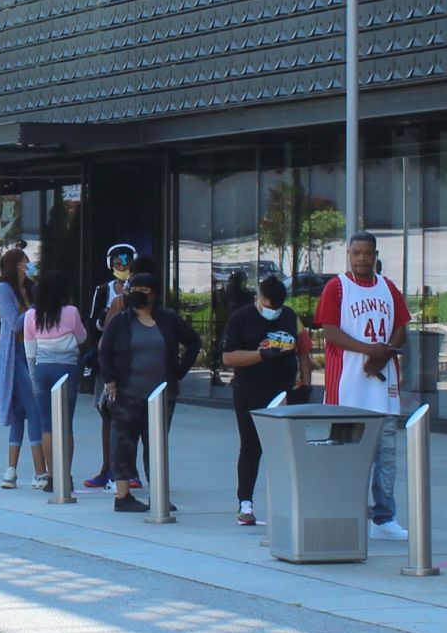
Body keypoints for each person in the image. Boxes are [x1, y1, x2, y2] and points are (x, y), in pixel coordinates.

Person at [317, 230, 411, 541]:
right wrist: (369, 350)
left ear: (375, 254)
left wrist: (383, 355)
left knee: (386, 456)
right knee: (346, 454)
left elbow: (400, 327)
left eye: (366, 253)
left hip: (383, 387)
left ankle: (383, 517)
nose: (361, 259)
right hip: (348, 386)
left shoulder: (387, 287)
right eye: (356, 253)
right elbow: (330, 331)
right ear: (348, 254)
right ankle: (344, 513)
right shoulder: (337, 288)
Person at [97, 271, 200, 513]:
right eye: (132, 289)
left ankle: (159, 494)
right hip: (125, 394)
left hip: (162, 395)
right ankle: (123, 496)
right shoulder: (121, 321)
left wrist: (179, 372)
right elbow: (105, 351)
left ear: (153, 295)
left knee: (156, 445)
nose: (136, 295)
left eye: (142, 291)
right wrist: (110, 380)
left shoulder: (168, 319)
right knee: (123, 443)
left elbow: (193, 342)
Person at [221, 273, 308, 526]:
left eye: (277, 308)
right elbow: (228, 358)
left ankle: (286, 504)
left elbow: (302, 349)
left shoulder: (290, 316)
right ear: (259, 298)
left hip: (282, 390)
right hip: (249, 388)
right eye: (269, 306)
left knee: (284, 449)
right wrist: (261, 355)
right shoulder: (241, 318)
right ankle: (245, 503)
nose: (273, 312)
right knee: (251, 446)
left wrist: (305, 381)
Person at [24, 271, 87, 492]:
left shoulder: (31, 316)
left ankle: (52, 476)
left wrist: (33, 377)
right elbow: (81, 338)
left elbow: (30, 352)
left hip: (43, 370)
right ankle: (65, 476)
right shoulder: (71, 312)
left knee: (46, 425)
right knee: (66, 424)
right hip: (67, 369)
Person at [83, 242, 137, 490]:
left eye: (125, 262)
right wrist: (109, 315)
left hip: (133, 359)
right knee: (106, 413)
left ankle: (130, 471)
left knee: (132, 417)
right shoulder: (103, 290)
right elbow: (93, 323)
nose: (121, 267)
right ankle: (108, 468)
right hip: (107, 357)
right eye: (117, 263)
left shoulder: (139, 288)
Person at [0, 249, 47, 489]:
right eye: (25, 260)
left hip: (32, 353)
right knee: (34, 408)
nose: (29, 263)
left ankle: (11, 471)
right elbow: (14, 324)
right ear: (15, 264)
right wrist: (32, 310)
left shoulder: (32, 288)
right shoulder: (3, 289)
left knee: (19, 412)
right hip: (14, 356)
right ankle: (39, 471)